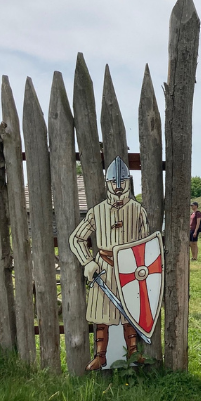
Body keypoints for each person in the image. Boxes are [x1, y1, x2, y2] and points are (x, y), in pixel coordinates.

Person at [69, 156, 150, 370]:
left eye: (122, 181)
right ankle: (100, 356)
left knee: (129, 313)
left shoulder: (138, 211)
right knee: (101, 314)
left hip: (129, 268)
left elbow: (146, 243)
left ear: (128, 182)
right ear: (107, 183)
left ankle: (132, 353)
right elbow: (76, 238)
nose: (117, 185)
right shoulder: (96, 212)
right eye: (114, 181)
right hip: (103, 268)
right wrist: (87, 262)